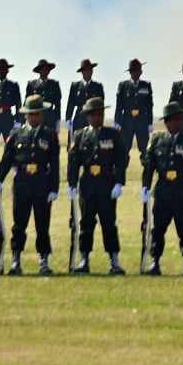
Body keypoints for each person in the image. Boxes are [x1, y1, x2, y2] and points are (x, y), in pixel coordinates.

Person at [0, 95, 60, 275]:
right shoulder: (16, 134)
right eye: (31, 114)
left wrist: (54, 188)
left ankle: (44, 260)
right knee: (19, 224)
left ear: (42, 115)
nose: (35, 117)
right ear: (26, 115)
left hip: (42, 183)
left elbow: (54, 163)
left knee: (42, 224)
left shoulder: (50, 134)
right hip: (22, 183)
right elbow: (7, 159)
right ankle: (16, 260)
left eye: (38, 114)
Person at [66, 96, 130, 275]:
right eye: (93, 115)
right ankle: (84, 259)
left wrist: (119, 182)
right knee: (86, 223)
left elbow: (122, 159)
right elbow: (73, 162)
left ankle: (114, 261)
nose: (97, 118)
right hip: (87, 185)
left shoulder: (113, 134)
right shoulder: (80, 135)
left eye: (100, 114)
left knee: (109, 223)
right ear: (87, 116)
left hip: (107, 184)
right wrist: (71, 184)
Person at [141, 100, 183, 275]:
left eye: (179, 119)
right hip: (163, 192)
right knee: (158, 229)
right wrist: (145, 187)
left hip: (182, 192)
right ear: (166, 121)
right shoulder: (157, 140)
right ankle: (155, 261)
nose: (177, 123)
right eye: (173, 119)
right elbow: (149, 166)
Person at [115, 59, 154, 153]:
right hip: (126, 123)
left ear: (141, 72)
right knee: (124, 150)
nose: (136, 73)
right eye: (133, 71)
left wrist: (150, 123)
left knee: (145, 150)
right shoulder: (123, 85)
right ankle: (121, 168)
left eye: (138, 70)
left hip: (142, 123)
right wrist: (117, 123)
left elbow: (149, 106)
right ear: (130, 72)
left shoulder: (146, 85)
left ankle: (147, 167)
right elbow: (119, 106)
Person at [66, 60, 105, 138]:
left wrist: (100, 120)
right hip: (79, 118)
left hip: (93, 118)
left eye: (90, 70)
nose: (88, 72)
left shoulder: (98, 86)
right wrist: (68, 119)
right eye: (86, 70)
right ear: (82, 72)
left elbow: (101, 105)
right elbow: (70, 103)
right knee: (75, 141)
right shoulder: (75, 86)